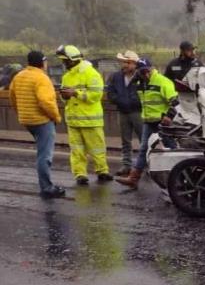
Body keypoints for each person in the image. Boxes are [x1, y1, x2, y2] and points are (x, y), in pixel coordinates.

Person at [8, 51, 65, 199]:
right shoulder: (42, 78)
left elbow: (12, 97)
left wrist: (20, 112)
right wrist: (56, 117)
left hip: (27, 120)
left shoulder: (18, 76)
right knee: (44, 155)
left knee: (41, 151)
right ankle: (47, 187)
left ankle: (46, 185)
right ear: (42, 62)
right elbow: (45, 101)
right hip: (41, 120)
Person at [116, 58, 178, 189]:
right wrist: (135, 80)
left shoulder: (162, 82)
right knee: (144, 149)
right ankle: (133, 178)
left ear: (151, 69)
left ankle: (179, 177)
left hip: (163, 123)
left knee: (171, 149)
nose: (146, 75)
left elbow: (175, 101)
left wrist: (169, 116)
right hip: (148, 122)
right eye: (142, 72)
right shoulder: (140, 82)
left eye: (147, 71)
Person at [56, 45, 113, 185]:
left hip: (90, 120)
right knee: (76, 150)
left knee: (97, 148)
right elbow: (64, 98)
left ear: (73, 60)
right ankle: (80, 174)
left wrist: (75, 93)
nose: (64, 64)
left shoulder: (91, 73)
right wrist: (64, 96)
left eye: (65, 61)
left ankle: (102, 171)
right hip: (73, 121)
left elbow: (95, 96)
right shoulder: (66, 77)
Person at [106, 50, 143, 177]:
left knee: (144, 140)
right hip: (123, 111)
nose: (124, 65)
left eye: (127, 62)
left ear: (134, 63)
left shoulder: (141, 76)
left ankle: (146, 164)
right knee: (125, 140)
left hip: (138, 112)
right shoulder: (116, 76)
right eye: (123, 62)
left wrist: (135, 102)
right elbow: (110, 92)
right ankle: (127, 165)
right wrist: (120, 101)